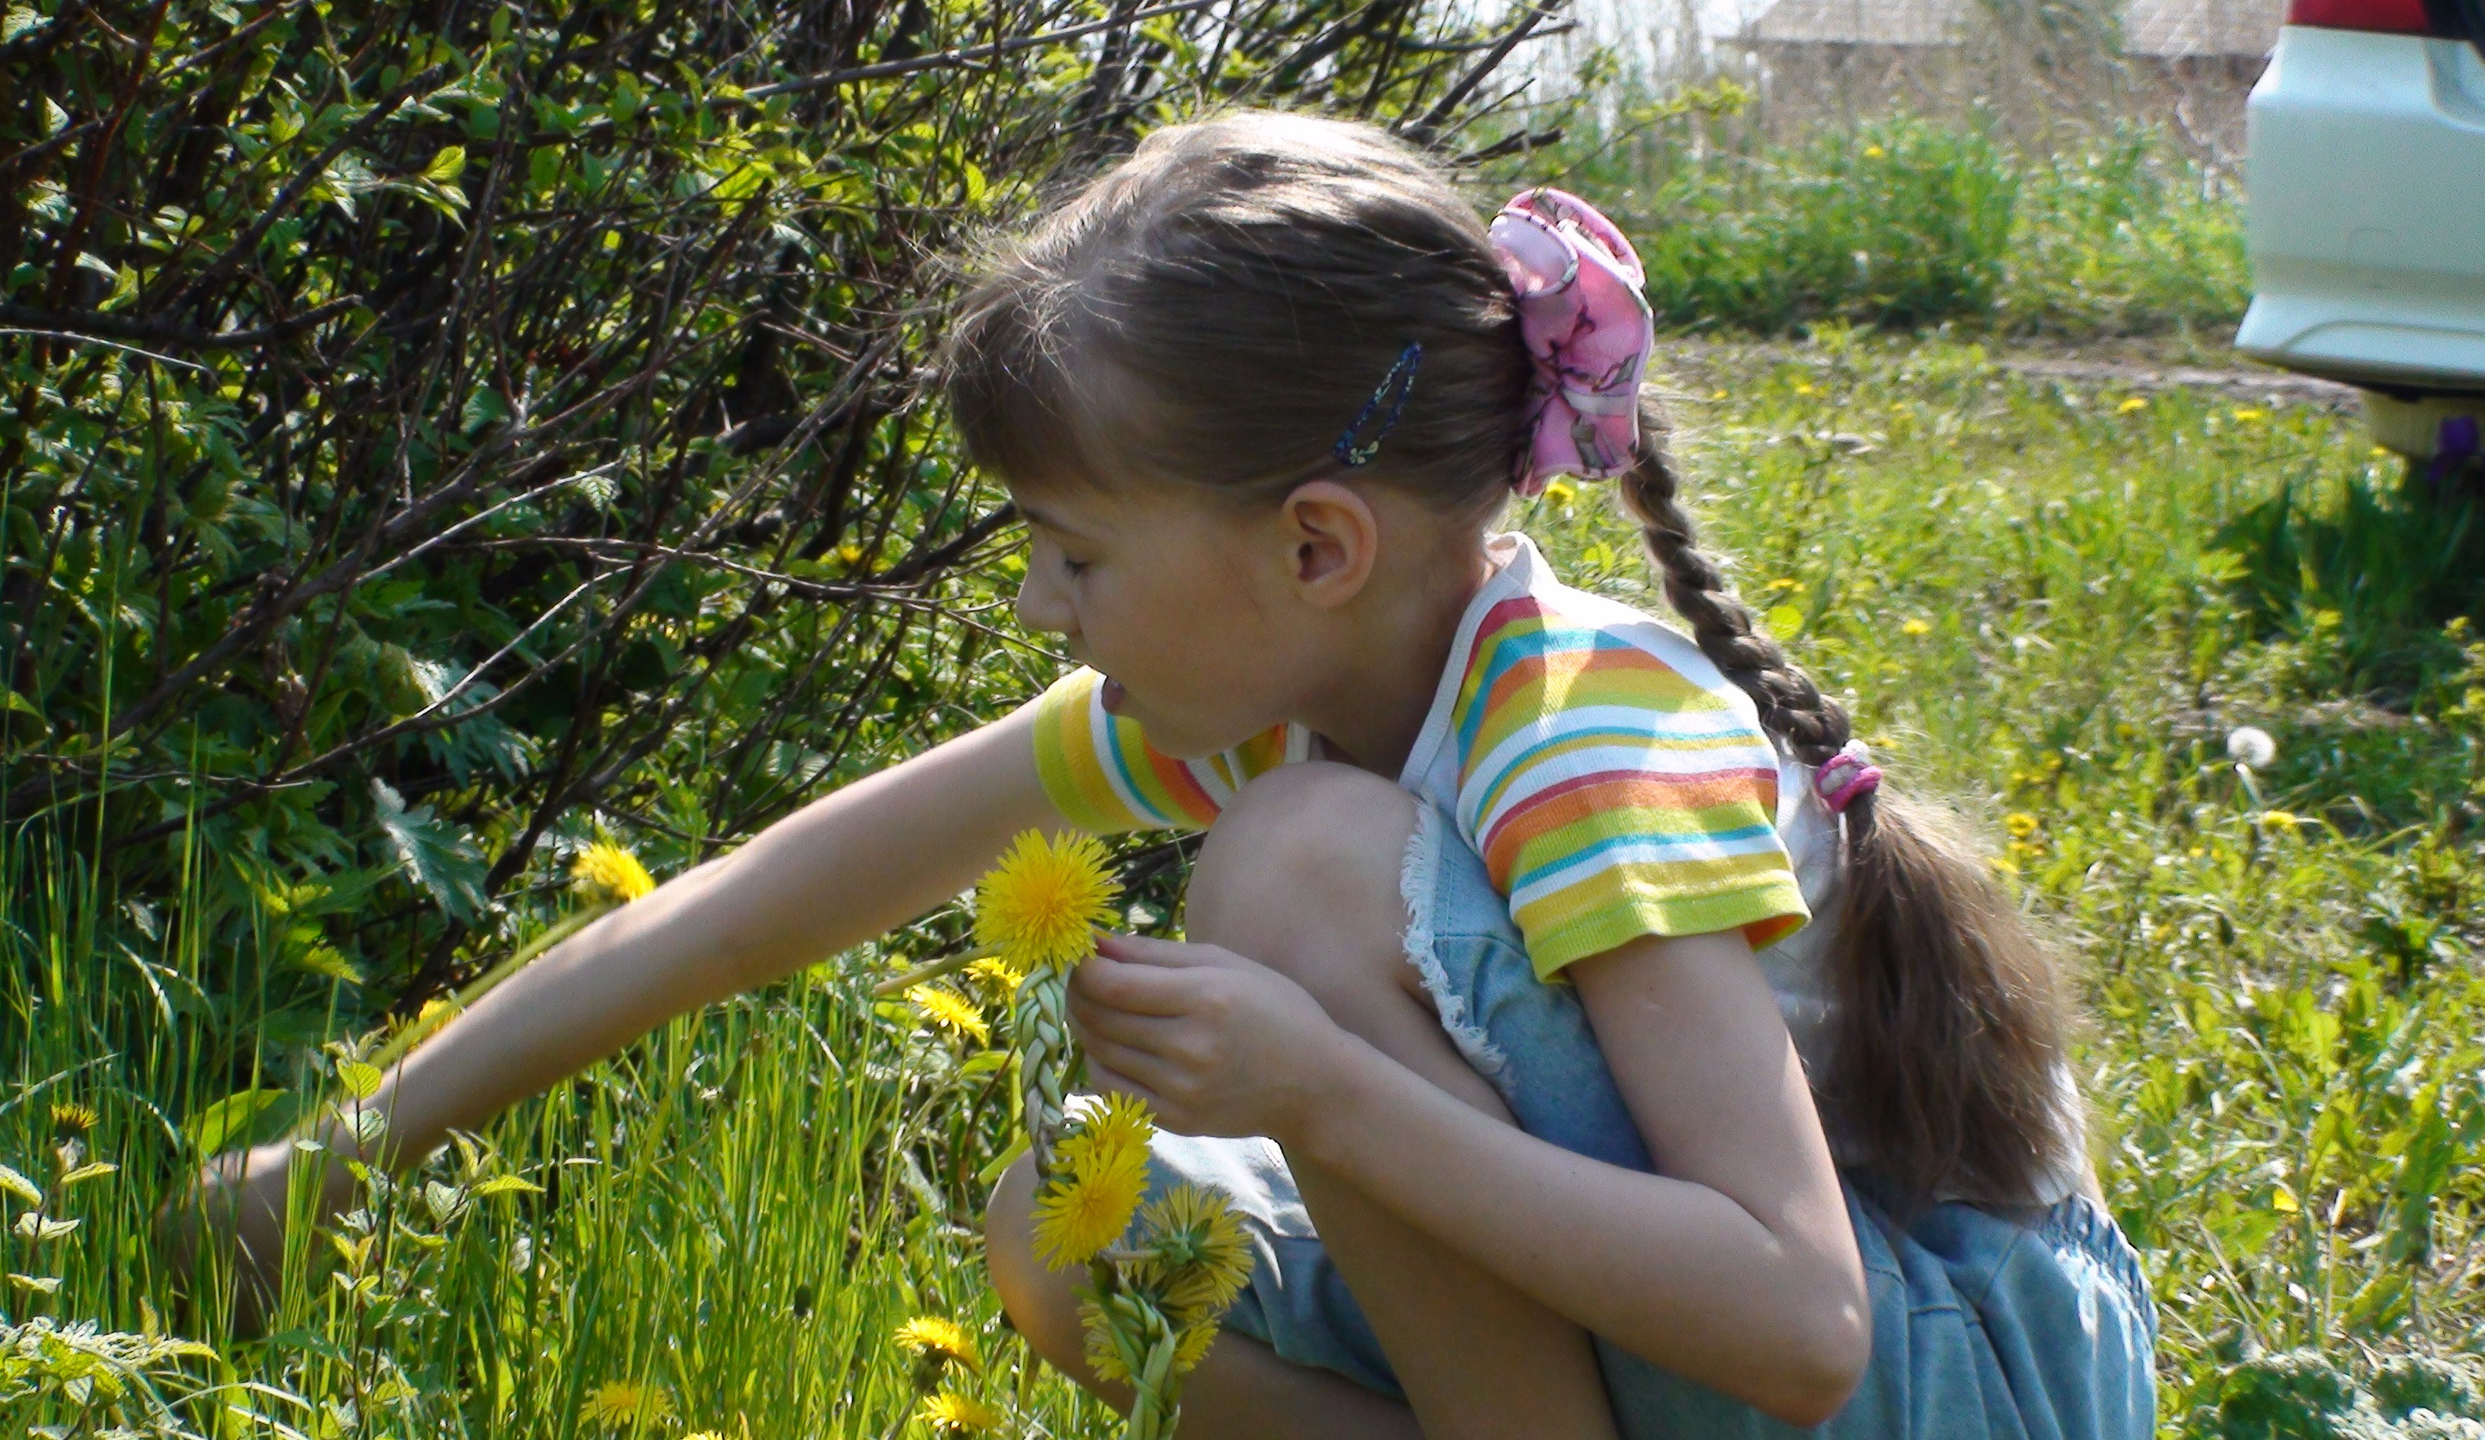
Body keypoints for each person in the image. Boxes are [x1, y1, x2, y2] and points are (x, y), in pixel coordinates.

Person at [185, 112, 2155, 1439]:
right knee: (1073, 1219)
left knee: (1292, 878)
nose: (1040, 603)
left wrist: (1313, 1097)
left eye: (1073, 548)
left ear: (1313, 545)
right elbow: (774, 894)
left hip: (1946, 1366)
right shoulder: (1275, 683)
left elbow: (1796, 1328)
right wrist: (358, 1149)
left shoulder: (1571, 731)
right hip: (1724, 1339)